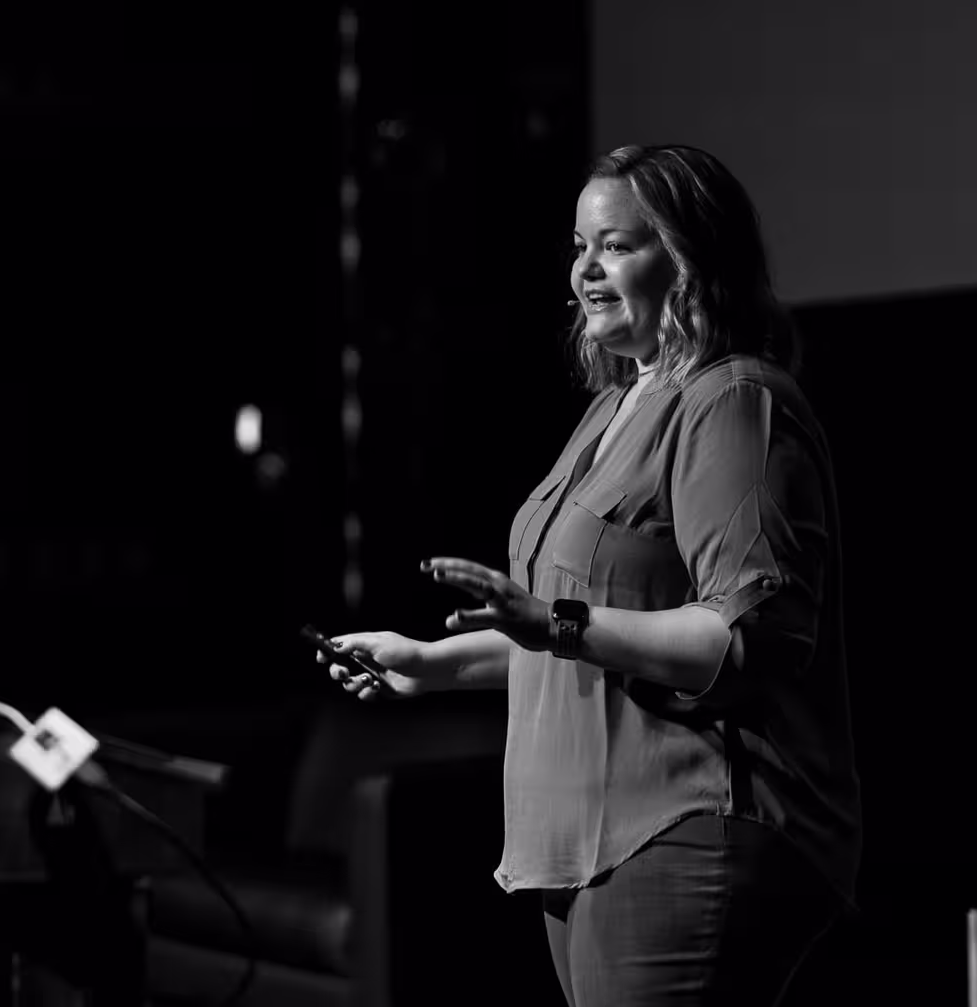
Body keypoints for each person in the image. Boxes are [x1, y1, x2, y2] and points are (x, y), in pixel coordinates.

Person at [320, 144, 861, 1006]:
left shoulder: (730, 400)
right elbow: (573, 631)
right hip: (583, 841)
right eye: (580, 248)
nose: (586, 272)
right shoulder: (615, 408)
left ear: (689, 258)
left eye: (616, 246)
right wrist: (429, 662)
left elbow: (748, 638)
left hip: (686, 822)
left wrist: (559, 624)